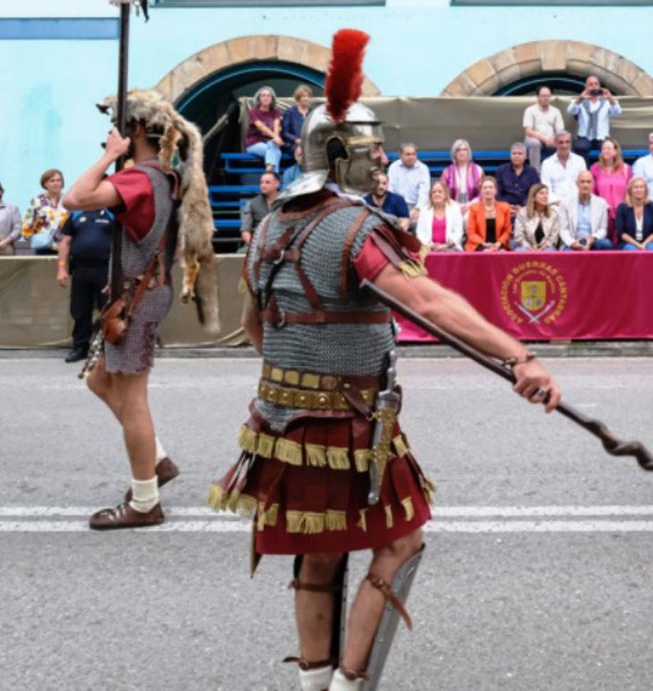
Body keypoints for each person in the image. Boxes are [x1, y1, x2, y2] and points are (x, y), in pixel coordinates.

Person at [208, 31, 560, 691]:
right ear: (339, 157)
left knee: (318, 555)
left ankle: (313, 683)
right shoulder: (352, 229)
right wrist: (520, 356)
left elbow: (256, 327)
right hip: (348, 418)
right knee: (399, 544)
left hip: (281, 417)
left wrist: (300, 372)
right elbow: (424, 298)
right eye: (369, 153)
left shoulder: (267, 227)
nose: (379, 164)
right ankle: (350, 683)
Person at [62, 88, 218, 530]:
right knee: (99, 379)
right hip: (141, 291)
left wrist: (110, 156)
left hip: (137, 295)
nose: (109, 133)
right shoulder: (162, 176)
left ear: (133, 130)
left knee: (133, 400)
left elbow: (75, 198)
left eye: (116, 126)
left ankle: (146, 500)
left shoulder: (140, 177)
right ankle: (159, 460)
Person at [56, 208, 115, 362]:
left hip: (105, 269)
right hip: (80, 269)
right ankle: (80, 347)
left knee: (108, 309)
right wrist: (62, 268)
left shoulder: (111, 213)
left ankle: (109, 348)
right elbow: (65, 242)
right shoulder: (76, 214)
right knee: (80, 310)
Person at [568, 75, 621, 157]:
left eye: (596, 84)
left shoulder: (607, 102)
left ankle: (605, 169)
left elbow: (617, 112)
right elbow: (571, 111)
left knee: (609, 148)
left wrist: (610, 98)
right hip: (584, 137)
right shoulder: (580, 101)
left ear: (599, 86)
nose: (594, 86)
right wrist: (580, 99)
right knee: (580, 147)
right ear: (586, 87)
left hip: (602, 137)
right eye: (591, 84)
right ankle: (584, 169)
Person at [560, 171, 611, 251]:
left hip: (592, 241)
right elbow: (563, 229)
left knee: (606, 244)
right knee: (567, 251)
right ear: (577, 184)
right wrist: (573, 243)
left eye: (588, 182)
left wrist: (592, 239)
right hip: (573, 241)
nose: (585, 185)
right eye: (582, 182)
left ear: (593, 184)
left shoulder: (601, 203)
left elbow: (603, 229)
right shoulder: (566, 202)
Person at [22, 169, 68, 255]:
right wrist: (35, 239)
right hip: (43, 246)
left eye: (58, 180)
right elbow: (27, 224)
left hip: (64, 246)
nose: (56, 183)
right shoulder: (36, 201)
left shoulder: (68, 200)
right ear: (45, 183)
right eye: (52, 181)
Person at [540, 132, 587, 210]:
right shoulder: (547, 163)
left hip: (578, 204)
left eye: (567, 142)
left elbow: (584, 184)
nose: (564, 145)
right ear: (555, 144)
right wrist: (557, 202)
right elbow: (546, 187)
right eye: (561, 142)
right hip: (555, 206)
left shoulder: (580, 161)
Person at [590, 137, 631, 225]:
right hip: (602, 212)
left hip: (622, 212)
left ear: (616, 151)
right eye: (603, 149)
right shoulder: (595, 168)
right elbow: (592, 192)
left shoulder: (626, 169)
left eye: (609, 148)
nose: (606, 151)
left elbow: (630, 191)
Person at [387, 143, 431, 225]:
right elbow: (390, 189)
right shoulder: (393, 167)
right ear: (400, 155)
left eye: (413, 154)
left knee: (418, 224)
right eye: (408, 154)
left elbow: (424, 192)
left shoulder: (423, 169)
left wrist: (418, 209)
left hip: (416, 206)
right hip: (397, 206)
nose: (411, 157)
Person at [522, 85, 565, 169]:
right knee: (535, 144)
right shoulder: (530, 110)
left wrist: (554, 139)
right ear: (538, 97)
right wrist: (544, 139)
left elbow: (560, 131)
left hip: (551, 139)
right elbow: (528, 131)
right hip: (534, 138)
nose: (546, 98)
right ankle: (535, 173)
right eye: (543, 96)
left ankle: (558, 170)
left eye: (548, 96)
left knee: (562, 142)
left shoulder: (556, 111)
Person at [466, 176, 513, 252]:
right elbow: (471, 233)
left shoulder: (505, 207)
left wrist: (499, 243)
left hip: (499, 244)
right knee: (486, 252)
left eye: (490, 187)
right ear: (481, 191)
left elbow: (507, 230)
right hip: (479, 244)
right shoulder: (474, 208)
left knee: (501, 253)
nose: (488, 190)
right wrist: (483, 243)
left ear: (496, 190)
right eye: (485, 188)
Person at [414, 180, 464, 252]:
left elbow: (458, 231)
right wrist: (431, 245)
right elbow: (420, 233)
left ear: (445, 195)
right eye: (433, 192)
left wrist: (447, 245)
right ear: (430, 196)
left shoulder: (455, 209)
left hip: (450, 247)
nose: (436, 194)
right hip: (430, 248)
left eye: (440, 191)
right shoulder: (424, 211)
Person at [614, 177, 653, 250]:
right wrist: (637, 245)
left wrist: (644, 244)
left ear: (645, 190)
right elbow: (621, 232)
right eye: (636, 187)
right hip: (628, 243)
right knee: (632, 250)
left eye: (641, 187)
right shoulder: (622, 207)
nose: (639, 190)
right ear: (630, 190)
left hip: (648, 242)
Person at [513, 183, 564, 251]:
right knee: (520, 251)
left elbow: (553, 237)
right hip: (527, 247)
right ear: (533, 197)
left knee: (550, 251)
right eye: (542, 193)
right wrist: (529, 248)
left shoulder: (553, 214)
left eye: (547, 193)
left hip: (546, 247)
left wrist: (543, 248)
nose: (545, 196)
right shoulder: (522, 213)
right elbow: (519, 236)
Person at [246, 85, 284, 173]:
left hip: (271, 143)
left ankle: (269, 174)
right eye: (263, 95)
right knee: (275, 151)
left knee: (275, 149)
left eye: (268, 96)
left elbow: (276, 126)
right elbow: (261, 127)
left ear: (272, 99)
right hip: (253, 144)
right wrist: (276, 138)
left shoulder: (276, 112)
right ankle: (271, 174)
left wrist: (276, 137)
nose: (266, 98)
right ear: (259, 98)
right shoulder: (253, 111)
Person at [241, 171, 281, 247]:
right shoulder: (251, 203)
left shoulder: (286, 202)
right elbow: (245, 231)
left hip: (281, 243)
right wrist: (253, 247)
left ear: (277, 184)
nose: (263, 185)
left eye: (267, 182)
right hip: (258, 243)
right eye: (261, 182)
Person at [495, 142, 541, 208]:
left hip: (526, 207)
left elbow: (535, 192)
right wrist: (507, 206)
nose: (516, 156)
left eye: (520, 154)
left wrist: (524, 206)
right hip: (504, 207)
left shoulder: (532, 171)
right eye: (514, 153)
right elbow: (497, 193)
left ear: (525, 157)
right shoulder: (502, 170)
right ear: (510, 156)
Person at [440, 138, 484, 206]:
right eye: (458, 150)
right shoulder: (447, 171)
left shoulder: (478, 170)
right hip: (452, 207)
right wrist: (455, 205)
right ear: (454, 153)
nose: (461, 152)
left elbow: (483, 192)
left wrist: (470, 205)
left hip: (475, 206)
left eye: (464, 150)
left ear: (468, 152)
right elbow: (442, 192)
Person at [281, 85, 313, 170]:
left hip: (309, 143)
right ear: (298, 98)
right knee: (302, 151)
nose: (306, 98)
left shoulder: (312, 112)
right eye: (303, 96)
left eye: (308, 96)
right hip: (292, 144)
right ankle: (303, 174)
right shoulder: (290, 112)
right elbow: (285, 132)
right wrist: (296, 140)